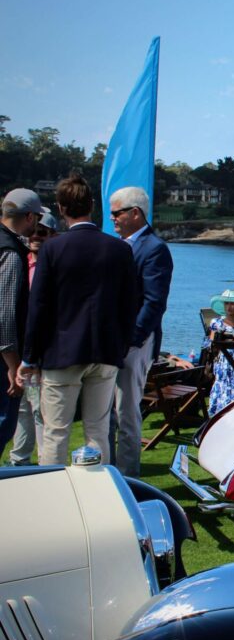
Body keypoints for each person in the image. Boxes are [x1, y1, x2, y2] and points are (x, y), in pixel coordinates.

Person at [18, 174, 136, 466]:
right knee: (98, 429)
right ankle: (99, 493)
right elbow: (131, 303)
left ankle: (54, 498)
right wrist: (120, 345)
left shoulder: (53, 249)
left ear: (60, 208)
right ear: (92, 205)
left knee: (56, 432)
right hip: (106, 351)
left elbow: (39, 306)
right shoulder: (120, 249)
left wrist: (29, 357)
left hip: (62, 352)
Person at [108, 186, 173, 477]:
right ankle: (107, 471)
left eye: (117, 213)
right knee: (105, 412)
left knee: (126, 412)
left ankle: (129, 477)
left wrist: (132, 340)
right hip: (112, 342)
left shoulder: (153, 248)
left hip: (135, 344)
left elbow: (154, 302)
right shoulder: (120, 246)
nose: (112, 218)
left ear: (136, 213)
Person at [8, 211, 59, 465]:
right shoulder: (17, 260)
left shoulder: (56, 268)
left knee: (41, 410)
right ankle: (19, 461)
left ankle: (44, 464)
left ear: (53, 235)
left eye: (43, 232)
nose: (35, 237)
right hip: (17, 348)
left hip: (43, 352)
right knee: (20, 408)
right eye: (33, 231)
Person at [0, 188, 44, 453]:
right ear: (28, 216)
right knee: (4, 421)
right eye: (37, 219)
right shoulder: (12, 254)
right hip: (3, 357)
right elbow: (5, 313)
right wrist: (12, 363)